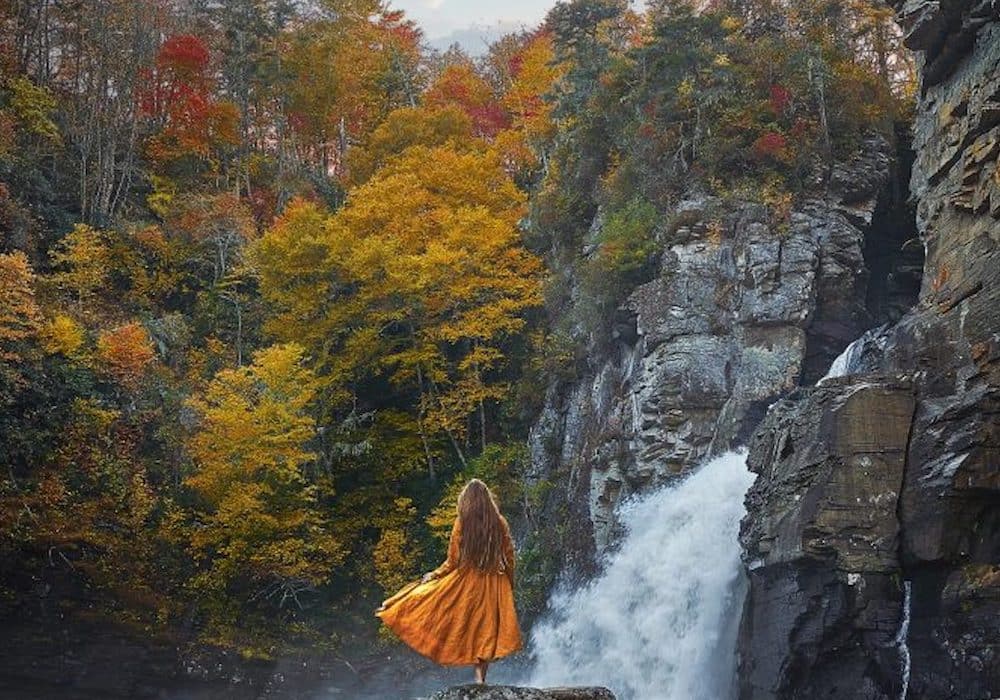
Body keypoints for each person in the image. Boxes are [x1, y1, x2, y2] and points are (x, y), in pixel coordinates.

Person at [376, 479, 522, 684]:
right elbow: (509, 555)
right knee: (486, 631)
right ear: (488, 500)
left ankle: (392, 606)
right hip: (493, 582)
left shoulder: (462, 522)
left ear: (467, 500)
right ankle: (480, 678)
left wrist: (435, 574)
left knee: (460, 622)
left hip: (468, 581)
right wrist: (509, 581)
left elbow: (453, 560)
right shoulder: (499, 522)